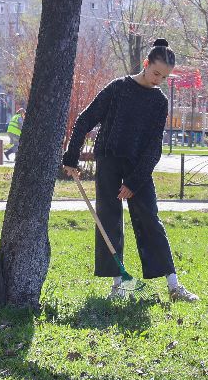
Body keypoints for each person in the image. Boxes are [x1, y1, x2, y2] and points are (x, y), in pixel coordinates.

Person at [63, 40, 197, 302]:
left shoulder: (159, 102)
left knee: (150, 218)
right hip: (109, 159)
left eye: (164, 77)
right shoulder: (118, 88)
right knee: (109, 218)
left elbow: (153, 147)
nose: (158, 80)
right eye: (156, 73)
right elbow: (85, 119)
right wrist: (71, 156)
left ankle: (173, 285)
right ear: (146, 64)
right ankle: (118, 286)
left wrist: (134, 182)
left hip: (139, 166)